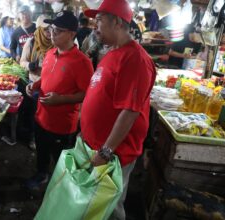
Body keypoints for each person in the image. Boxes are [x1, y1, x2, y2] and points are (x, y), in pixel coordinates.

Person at [83, 0, 156, 219]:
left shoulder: (135, 58)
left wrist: (106, 151)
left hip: (115, 153)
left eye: (99, 20)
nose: (95, 27)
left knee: (109, 206)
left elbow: (130, 111)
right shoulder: (112, 52)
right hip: (97, 145)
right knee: (96, 203)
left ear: (116, 22)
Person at [25, 11, 93, 188]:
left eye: (58, 31)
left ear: (72, 34)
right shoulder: (50, 53)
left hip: (61, 124)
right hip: (41, 116)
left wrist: (61, 99)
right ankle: (41, 176)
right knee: (41, 152)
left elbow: (87, 94)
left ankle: (61, 189)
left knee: (60, 161)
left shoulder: (82, 62)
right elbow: (46, 76)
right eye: (52, 29)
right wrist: (36, 85)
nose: (52, 34)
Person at [16, 15, 53, 149]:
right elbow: (22, 62)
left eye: (51, 29)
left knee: (48, 114)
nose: (49, 33)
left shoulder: (56, 43)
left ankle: (46, 139)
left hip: (51, 85)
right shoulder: (31, 42)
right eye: (45, 30)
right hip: (34, 84)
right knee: (34, 113)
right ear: (38, 30)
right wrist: (29, 65)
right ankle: (34, 138)